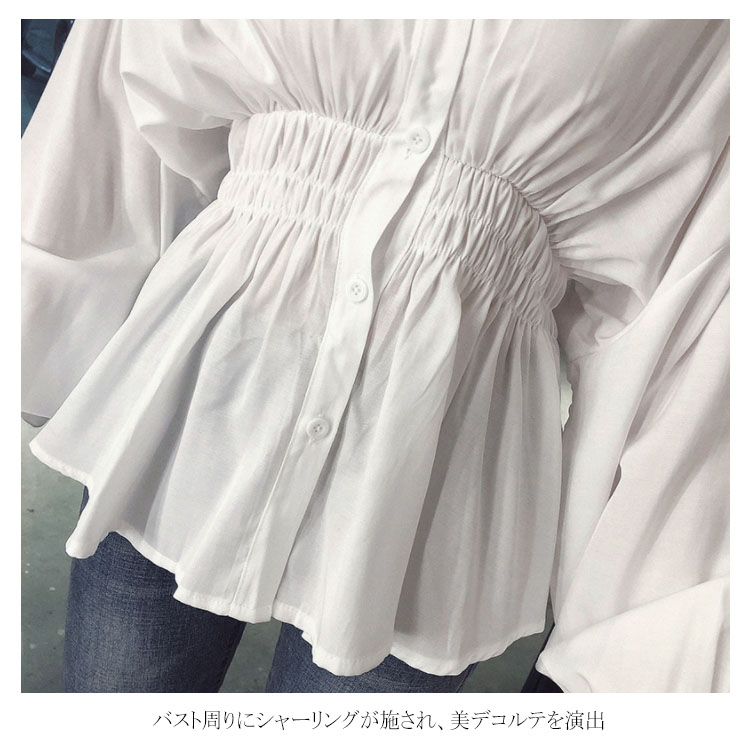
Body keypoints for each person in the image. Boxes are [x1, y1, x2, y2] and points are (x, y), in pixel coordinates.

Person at [21, 19, 729, 693]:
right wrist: (54, 303)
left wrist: (642, 617)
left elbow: (684, 308)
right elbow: (122, 82)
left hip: (443, 471)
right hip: (202, 389)